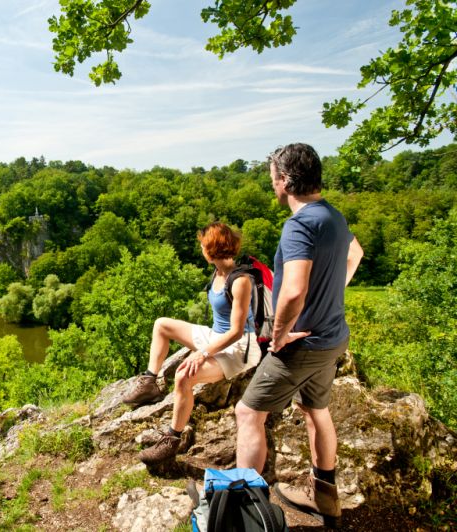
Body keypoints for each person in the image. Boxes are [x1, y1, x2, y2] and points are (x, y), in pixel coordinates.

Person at [234, 143, 363, 528]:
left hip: (302, 344)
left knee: (247, 413)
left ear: (286, 181)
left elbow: (292, 291)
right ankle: (324, 495)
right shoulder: (333, 216)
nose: (271, 185)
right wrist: (331, 296)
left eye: (273, 178)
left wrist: (278, 334)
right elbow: (355, 254)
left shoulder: (300, 224)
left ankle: (248, 511)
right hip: (333, 337)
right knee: (316, 411)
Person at [123, 222, 262, 464]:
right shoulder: (217, 273)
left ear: (213, 248)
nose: (200, 248)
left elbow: (237, 332)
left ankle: (171, 440)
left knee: (183, 376)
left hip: (239, 348)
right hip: (216, 336)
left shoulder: (240, 280)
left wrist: (203, 353)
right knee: (161, 325)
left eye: (202, 245)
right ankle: (150, 383)